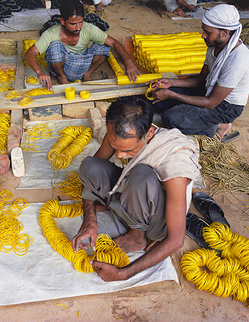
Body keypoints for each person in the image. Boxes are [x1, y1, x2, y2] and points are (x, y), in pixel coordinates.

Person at [72, 96, 201, 282]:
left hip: (157, 222)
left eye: (127, 151)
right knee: (90, 166)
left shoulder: (175, 163)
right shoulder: (119, 134)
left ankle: (136, 237)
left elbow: (175, 240)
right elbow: (92, 175)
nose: (119, 155)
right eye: (115, 147)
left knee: (141, 175)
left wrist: (123, 273)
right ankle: (123, 210)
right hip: (132, 192)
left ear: (148, 133)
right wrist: (90, 218)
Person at [147, 4, 249, 139]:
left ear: (225, 32)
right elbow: (200, 79)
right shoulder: (214, 46)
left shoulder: (237, 61)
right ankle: (202, 119)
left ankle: (216, 126)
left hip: (225, 106)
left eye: (208, 32)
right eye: (204, 30)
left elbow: (211, 102)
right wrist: (170, 83)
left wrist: (171, 95)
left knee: (171, 118)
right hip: (208, 91)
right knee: (155, 100)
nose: (203, 35)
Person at [25, 0, 139, 88]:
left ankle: (88, 74)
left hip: (84, 64)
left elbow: (115, 43)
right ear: (62, 21)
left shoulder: (88, 28)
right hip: (62, 67)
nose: (78, 27)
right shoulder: (52, 32)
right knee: (54, 46)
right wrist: (39, 72)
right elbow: (30, 53)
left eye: (80, 22)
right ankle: (61, 77)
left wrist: (128, 62)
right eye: (73, 24)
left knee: (104, 43)